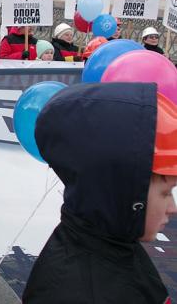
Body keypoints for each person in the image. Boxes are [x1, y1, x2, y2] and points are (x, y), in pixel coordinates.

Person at [23, 82, 177, 303]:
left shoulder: (117, 244)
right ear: (123, 188)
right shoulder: (73, 293)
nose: (173, 208)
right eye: (165, 192)